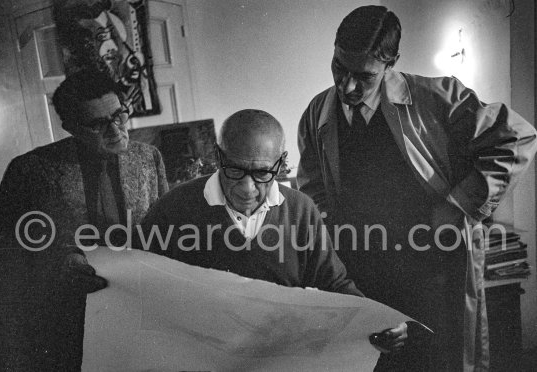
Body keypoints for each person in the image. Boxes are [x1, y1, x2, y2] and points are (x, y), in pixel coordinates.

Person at [297, 5, 537, 372]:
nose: (346, 86)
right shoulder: (317, 111)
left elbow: (517, 138)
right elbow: (312, 184)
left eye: (364, 76)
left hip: (430, 264)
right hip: (359, 265)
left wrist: (457, 205)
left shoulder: (436, 98)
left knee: (433, 359)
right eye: (339, 68)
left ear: (391, 62)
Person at [139, 108, 407, 356]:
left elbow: (333, 284)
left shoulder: (300, 209)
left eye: (262, 173)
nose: (247, 188)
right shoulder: (173, 209)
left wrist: (377, 320)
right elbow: (138, 285)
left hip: (281, 358)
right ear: (218, 156)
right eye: (234, 170)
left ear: (280, 164)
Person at [0, 69, 168, 371]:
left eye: (119, 115)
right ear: (70, 127)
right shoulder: (28, 171)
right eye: (98, 124)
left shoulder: (149, 157)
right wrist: (59, 264)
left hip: (138, 306)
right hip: (69, 316)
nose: (116, 131)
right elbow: (6, 256)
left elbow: (165, 228)